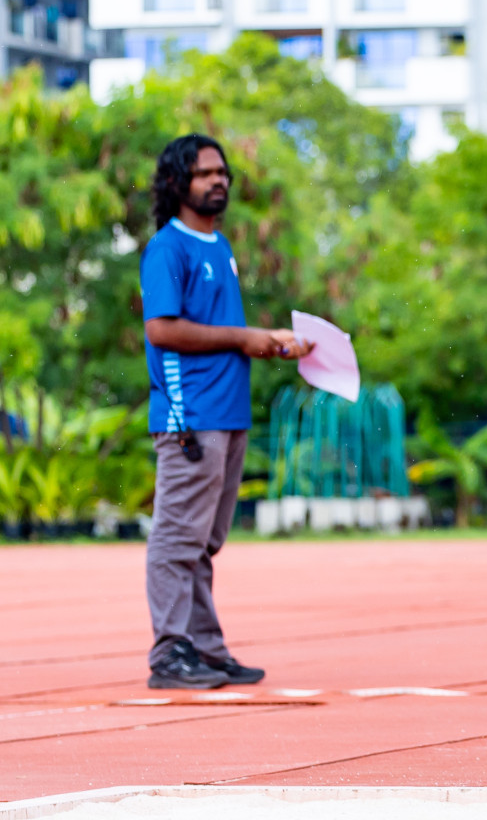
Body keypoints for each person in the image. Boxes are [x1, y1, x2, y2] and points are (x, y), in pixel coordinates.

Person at [139, 135, 313, 689]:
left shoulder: (219, 246)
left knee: (205, 540)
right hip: (190, 415)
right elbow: (161, 329)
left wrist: (273, 343)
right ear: (176, 183)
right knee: (177, 538)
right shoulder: (169, 247)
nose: (220, 181)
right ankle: (170, 653)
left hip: (227, 412)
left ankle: (206, 649)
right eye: (205, 173)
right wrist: (246, 338)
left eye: (224, 173)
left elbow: (229, 334)